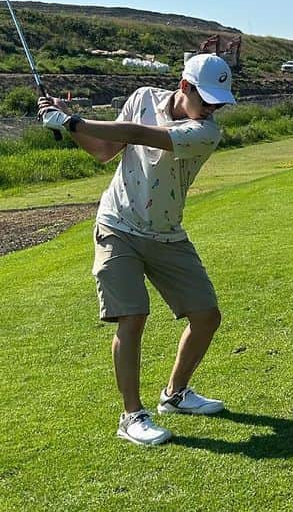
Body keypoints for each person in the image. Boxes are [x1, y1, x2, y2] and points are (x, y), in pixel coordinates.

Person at [38, 52, 236, 447]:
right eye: (207, 99)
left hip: (166, 232)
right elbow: (102, 150)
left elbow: (139, 135)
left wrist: (72, 120)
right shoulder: (144, 96)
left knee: (207, 316)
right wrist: (65, 119)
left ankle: (175, 394)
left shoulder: (206, 132)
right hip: (118, 225)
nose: (213, 108)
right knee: (132, 316)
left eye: (219, 102)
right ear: (184, 87)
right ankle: (132, 416)